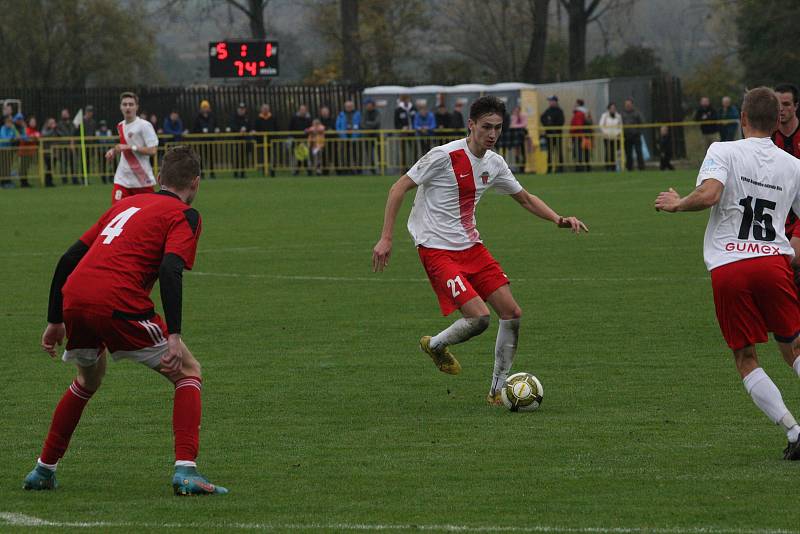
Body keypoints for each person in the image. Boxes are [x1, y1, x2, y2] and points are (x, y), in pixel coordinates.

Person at [22, 145, 228, 494]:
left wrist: (55, 319)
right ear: (195, 183)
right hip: (116, 299)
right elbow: (170, 267)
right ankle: (186, 471)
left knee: (88, 380)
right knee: (188, 371)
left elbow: (69, 256)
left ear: (159, 177)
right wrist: (174, 335)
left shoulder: (125, 204)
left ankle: (43, 469)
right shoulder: (184, 214)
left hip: (75, 296)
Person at [372, 96, 588, 404]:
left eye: (498, 128)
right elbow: (398, 188)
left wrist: (558, 219)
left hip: (472, 247)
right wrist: (386, 238)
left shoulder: (494, 163)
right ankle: (434, 345)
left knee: (512, 313)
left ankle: (497, 391)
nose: (493, 134)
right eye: (486, 127)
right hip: (436, 249)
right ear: (470, 125)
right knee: (479, 318)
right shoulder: (443, 156)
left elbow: (525, 198)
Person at [654, 87, 800, 460]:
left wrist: (677, 204)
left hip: (730, 267)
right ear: (776, 120)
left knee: (746, 357)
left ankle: (794, 431)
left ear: (743, 118)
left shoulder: (723, 150)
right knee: (794, 347)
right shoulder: (793, 166)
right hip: (773, 263)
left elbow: (710, 194)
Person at [105, 92, 159, 204]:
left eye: (131, 104)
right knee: (116, 213)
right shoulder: (120, 125)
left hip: (142, 179)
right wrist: (113, 151)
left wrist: (131, 147)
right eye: (124, 104)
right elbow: (122, 146)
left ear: (137, 107)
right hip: (122, 179)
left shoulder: (144, 125)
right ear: (120, 107)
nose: (127, 107)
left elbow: (153, 150)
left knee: (146, 217)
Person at [192, 100, 219, 178]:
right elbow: (194, 129)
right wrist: (201, 131)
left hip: (210, 140)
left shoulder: (212, 116)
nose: (205, 109)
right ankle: (202, 173)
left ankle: (212, 172)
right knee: (201, 158)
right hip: (201, 140)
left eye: (206, 107)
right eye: (204, 107)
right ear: (201, 108)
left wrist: (216, 130)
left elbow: (215, 125)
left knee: (211, 157)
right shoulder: (197, 117)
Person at [540, 95, 565, 172]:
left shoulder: (559, 111)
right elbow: (542, 118)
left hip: (557, 134)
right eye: (549, 101)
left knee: (559, 151)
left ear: (555, 101)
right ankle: (549, 168)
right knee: (550, 152)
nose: (550, 102)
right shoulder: (548, 111)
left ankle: (560, 168)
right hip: (549, 134)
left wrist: (553, 126)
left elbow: (561, 121)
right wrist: (548, 125)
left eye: (551, 101)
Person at [336, 100, 362, 174]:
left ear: (353, 106)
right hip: (344, 137)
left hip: (355, 137)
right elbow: (338, 125)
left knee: (356, 153)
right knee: (344, 154)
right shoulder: (341, 114)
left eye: (350, 106)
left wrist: (358, 134)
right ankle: (346, 169)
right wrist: (340, 134)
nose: (349, 107)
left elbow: (360, 124)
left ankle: (357, 169)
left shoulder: (357, 114)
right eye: (347, 106)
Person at [228, 102, 252, 179]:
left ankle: (242, 173)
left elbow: (250, 127)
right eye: (240, 109)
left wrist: (247, 130)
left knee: (243, 157)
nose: (242, 110)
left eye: (243, 109)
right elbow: (232, 126)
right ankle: (235, 172)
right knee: (236, 157)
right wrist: (239, 130)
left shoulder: (247, 118)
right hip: (236, 140)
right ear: (238, 110)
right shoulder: (234, 117)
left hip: (244, 140)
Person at [621, 98, 645, 171]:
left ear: (632, 105)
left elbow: (642, 122)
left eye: (629, 104)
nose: (627, 106)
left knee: (639, 152)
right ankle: (629, 168)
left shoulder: (637, 113)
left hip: (636, 135)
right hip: (627, 136)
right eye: (626, 104)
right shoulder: (622, 113)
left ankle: (641, 167)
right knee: (628, 153)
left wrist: (638, 131)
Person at [288, 104, 312, 176]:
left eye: (304, 110)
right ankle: (295, 171)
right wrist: (291, 137)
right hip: (296, 140)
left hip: (305, 140)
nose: (303, 111)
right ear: (299, 110)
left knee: (306, 156)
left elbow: (311, 128)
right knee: (296, 156)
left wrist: (308, 131)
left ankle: (308, 171)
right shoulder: (294, 118)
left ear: (306, 111)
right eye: (301, 110)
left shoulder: (309, 119)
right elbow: (290, 128)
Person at [599, 103, 622, 171]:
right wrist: (605, 133)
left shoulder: (618, 116)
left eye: (614, 108)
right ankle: (608, 167)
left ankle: (615, 167)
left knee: (616, 153)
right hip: (607, 137)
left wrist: (618, 133)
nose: (613, 109)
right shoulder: (604, 116)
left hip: (616, 137)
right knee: (608, 152)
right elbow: (601, 125)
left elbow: (620, 125)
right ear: (608, 109)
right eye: (611, 108)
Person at [569, 99, 591, 172]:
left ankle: (579, 168)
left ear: (578, 104)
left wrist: (572, 130)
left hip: (578, 136)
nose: (574, 105)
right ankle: (587, 167)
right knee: (586, 152)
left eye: (575, 104)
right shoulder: (586, 112)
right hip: (586, 136)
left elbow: (578, 125)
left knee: (578, 152)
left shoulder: (578, 113)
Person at [361, 99, 381, 174]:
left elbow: (377, 122)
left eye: (369, 105)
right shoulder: (364, 113)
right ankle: (373, 169)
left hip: (377, 135)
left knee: (379, 153)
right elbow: (362, 123)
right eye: (366, 105)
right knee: (369, 153)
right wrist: (370, 125)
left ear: (372, 105)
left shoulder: (377, 112)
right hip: (367, 136)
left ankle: (380, 168)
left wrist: (368, 124)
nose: (367, 106)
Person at [95, 120, 114, 184]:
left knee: (111, 164)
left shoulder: (109, 132)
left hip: (108, 150)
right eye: (102, 126)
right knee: (102, 165)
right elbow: (98, 141)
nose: (103, 127)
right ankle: (103, 178)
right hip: (101, 151)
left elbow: (111, 141)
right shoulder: (97, 132)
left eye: (104, 126)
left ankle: (112, 177)